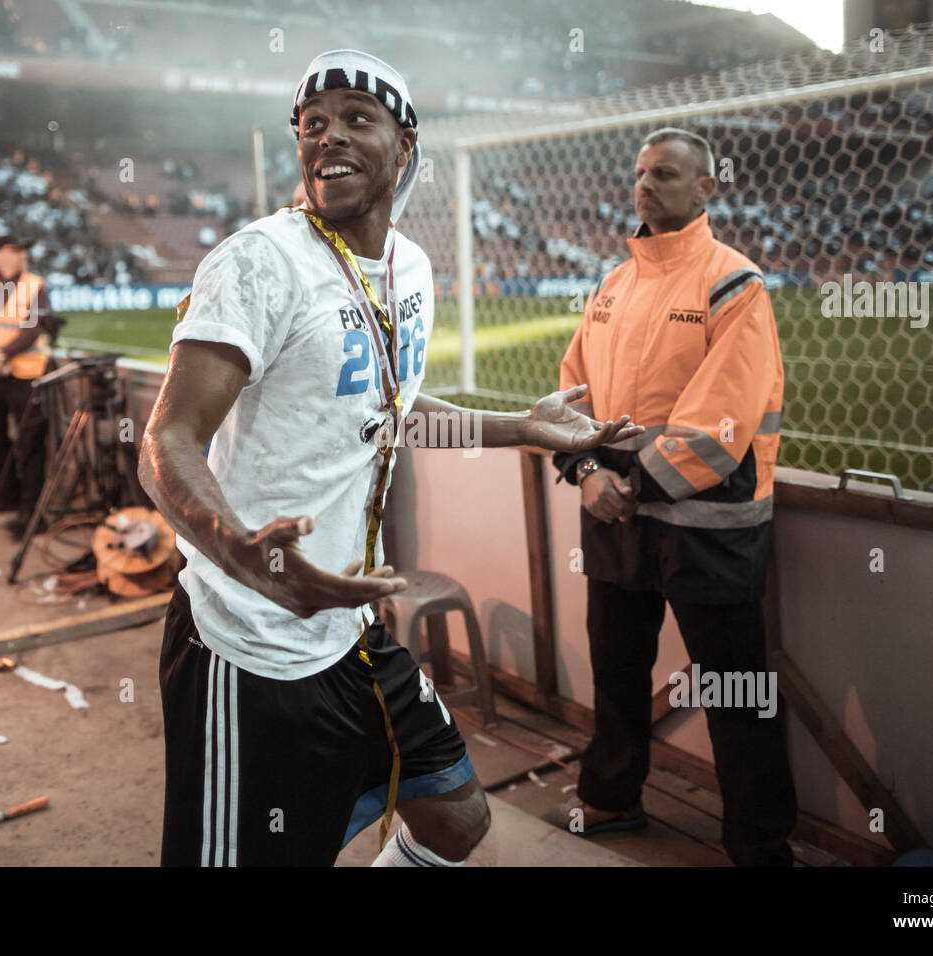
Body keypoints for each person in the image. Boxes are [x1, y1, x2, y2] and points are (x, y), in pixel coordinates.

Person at [139, 49, 641, 868]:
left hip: (349, 628)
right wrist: (249, 556)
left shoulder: (410, 269)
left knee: (457, 817)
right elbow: (166, 442)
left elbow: (392, 417)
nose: (328, 137)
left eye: (356, 119)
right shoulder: (259, 261)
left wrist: (519, 426)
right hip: (250, 643)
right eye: (312, 124)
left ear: (405, 148)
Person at [549, 128, 798, 866]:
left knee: (736, 696)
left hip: (708, 526)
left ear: (705, 189)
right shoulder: (613, 283)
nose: (646, 185)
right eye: (639, 173)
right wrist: (585, 474)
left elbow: (726, 415)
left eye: (665, 173)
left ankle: (760, 847)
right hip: (616, 516)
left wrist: (628, 482)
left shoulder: (735, 282)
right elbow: (571, 394)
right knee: (617, 676)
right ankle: (612, 800)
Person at [0, 236, 60, 538]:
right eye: (5, 253)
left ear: (22, 258)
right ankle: (7, 493)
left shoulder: (35, 284)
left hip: (27, 374)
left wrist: (4, 354)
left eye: (16, 253)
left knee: (31, 442)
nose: (10, 258)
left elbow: (35, 327)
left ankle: (31, 511)